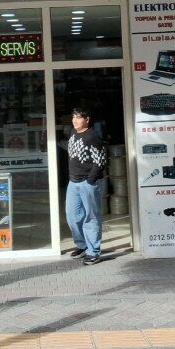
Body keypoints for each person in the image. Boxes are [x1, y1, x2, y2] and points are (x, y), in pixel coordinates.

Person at [65, 107, 107, 266]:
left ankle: (93, 252)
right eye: (73, 117)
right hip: (73, 182)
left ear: (87, 120)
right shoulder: (73, 133)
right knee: (72, 216)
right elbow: (74, 151)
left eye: (78, 117)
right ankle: (82, 245)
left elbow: (101, 160)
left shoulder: (92, 136)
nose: (75, 120)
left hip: (88, 182)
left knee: (91, 217)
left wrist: (90, 180)